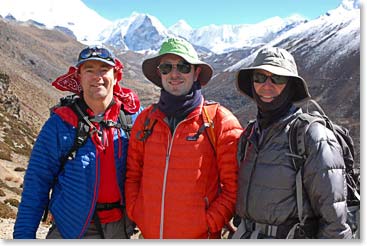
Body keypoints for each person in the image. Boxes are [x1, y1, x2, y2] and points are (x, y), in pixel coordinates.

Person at [13, 46, 142, 239]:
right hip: (71, 228)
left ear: (115, 76)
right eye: (89, 70)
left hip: (120, 229)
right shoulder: (60, 123)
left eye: (103, 70)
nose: (97, 76)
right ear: (79, 77)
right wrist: (23, 237)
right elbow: (36, 183)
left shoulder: (133, 120)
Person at [125, 37, 242, 239]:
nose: (174, 74)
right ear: (159, 73)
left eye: (183, 67)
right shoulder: (146, 121)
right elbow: (133, 175)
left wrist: (207, 223)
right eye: (166, 67)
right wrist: (138, 212)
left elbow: (234, 188)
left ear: (196, 72)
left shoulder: (219, 121)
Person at [233, 46, 352, 239]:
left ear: (290, 85)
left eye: (277, 78)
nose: (267, 85)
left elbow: (335, 224)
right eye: (259, 77)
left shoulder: (312, 136)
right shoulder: (250, 135)